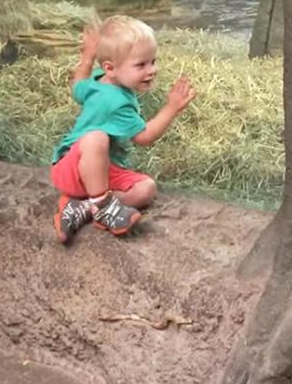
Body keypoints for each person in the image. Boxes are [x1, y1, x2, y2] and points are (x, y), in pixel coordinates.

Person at [51, 15, 196, 243]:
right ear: (110, 67)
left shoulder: (99, 80)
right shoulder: (115, 102)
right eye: (141, 64)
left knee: (146, 189)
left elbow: (77, 86)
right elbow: (144, 136)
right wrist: (171, 108)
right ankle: (101, 205)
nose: (151, 70)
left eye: (153, 61)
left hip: (98, 170)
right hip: (71, 169)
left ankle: (81, 207)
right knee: (96, 138)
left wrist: (87, 58)